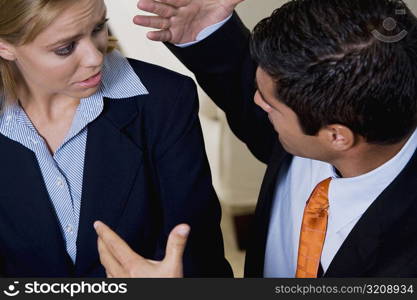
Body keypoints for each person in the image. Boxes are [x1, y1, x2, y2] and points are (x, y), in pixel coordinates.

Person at [96, 0, 417, 278]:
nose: (257, 101)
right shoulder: (357, 104)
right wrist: (209, 31)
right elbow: (258, 97)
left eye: (271, 105)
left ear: (336, 136)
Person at [0, 0, 232, 277]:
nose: (95, 58)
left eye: (98, 27)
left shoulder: (165, 99)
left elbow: (199, 258)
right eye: (65, 48)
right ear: (5, 47)